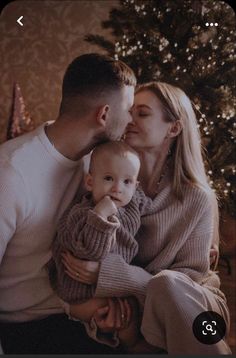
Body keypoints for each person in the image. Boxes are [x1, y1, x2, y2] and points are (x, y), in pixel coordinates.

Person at [62, 81, 232, 354]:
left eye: (142, 113)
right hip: (133, 307)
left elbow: (183, 282)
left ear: (173, 128)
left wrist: (111, 275)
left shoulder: (196, 198)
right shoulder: (111, 182)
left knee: (168, 284)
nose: (129, 120)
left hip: (197, 309)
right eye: (129, 112)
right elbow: (85, 253)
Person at [0, 53, 136, 354]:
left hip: (78, 313)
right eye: (128, 110)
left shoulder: (99, 163)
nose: (131, 120)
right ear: (103, 115)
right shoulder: (11, 172)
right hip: (21, 328)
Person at [49, 140, 155, 349]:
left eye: (127, 182)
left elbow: (154, 207)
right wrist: (101, 216)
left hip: (108, 284)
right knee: (128, 318)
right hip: (79, 293)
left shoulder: (131, 203)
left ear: (135, 186)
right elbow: (92, 252)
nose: (117, 188)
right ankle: (133, 348)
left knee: (138, 311)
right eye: (108, 178)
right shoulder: (82, 215)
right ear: (90, 182)